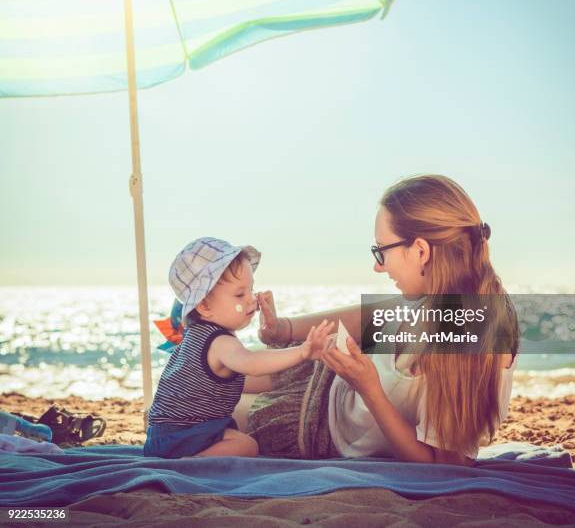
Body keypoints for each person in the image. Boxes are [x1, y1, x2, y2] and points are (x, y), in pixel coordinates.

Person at [234, 175, 519, 466]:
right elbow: (369, 317)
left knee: (210, 408)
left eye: (381, 251)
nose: (377, 266)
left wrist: (369, 389)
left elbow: (444, 466)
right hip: (319, 374)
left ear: (421, 251)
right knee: (211, 374)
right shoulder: (439, 295)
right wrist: (286, 328)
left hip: (314, 423)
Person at [144, 237, 333, 459]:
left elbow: (250, 377)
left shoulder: (196, 337)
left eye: (251, 290)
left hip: (166, 434)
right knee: (247, 446)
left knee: (238, 438)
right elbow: (253, 364)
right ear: (204, 305)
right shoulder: (220, 342)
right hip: (182, 434)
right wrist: (303, 351)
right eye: (239, 294)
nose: (251, 299)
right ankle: (191, 463)